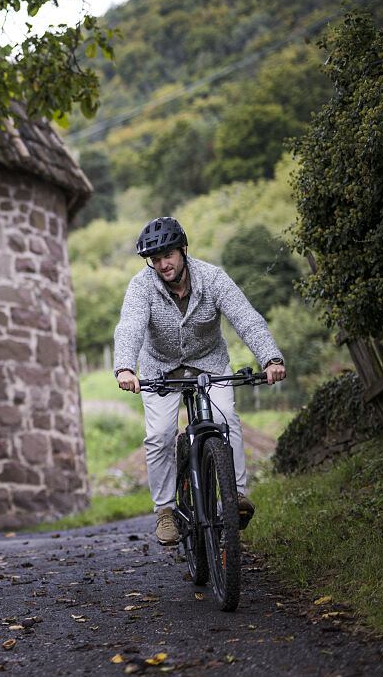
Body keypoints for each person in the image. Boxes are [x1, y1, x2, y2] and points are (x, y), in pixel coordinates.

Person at [113, 217, 286, 545]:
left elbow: (245, 318)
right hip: (160, 370)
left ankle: (234, 496)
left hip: (210, 364)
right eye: (156, 259)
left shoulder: (212, 278)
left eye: (168, 256)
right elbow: (130, 325)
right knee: (159, 435)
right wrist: (124, 367)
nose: (162, 264)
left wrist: (271, 359)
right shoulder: (141, 286)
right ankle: (165, 510)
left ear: (184, 251)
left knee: (227, 420)